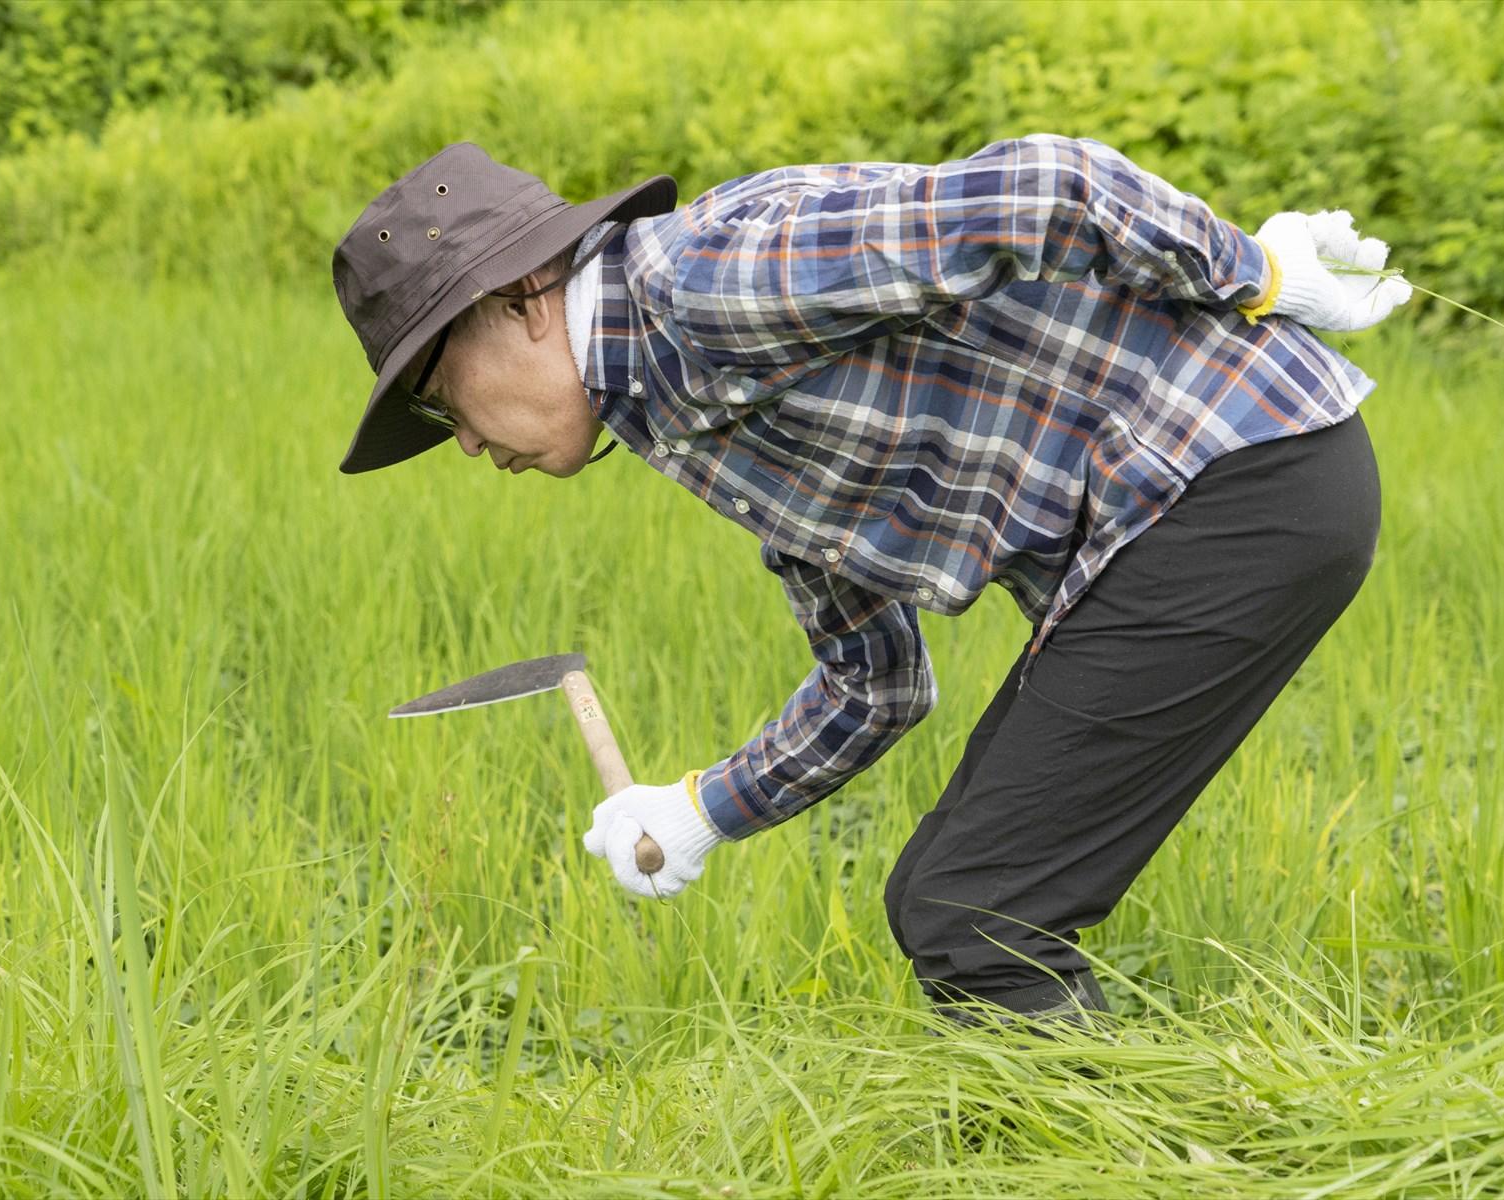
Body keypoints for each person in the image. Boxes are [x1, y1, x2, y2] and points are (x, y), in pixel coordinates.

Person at [331, 136, 1411, 1025]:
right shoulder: (681, 407)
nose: (461, 441)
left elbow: (1045, 190)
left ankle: (1100, 1160)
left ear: (521, 301)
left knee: (978, 913)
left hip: (1235, 476)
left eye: (438, 396)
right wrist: (705, 810)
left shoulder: (702, 286)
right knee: (959, 905)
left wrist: (1258, 274)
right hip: (1213, 498)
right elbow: (875, 683)